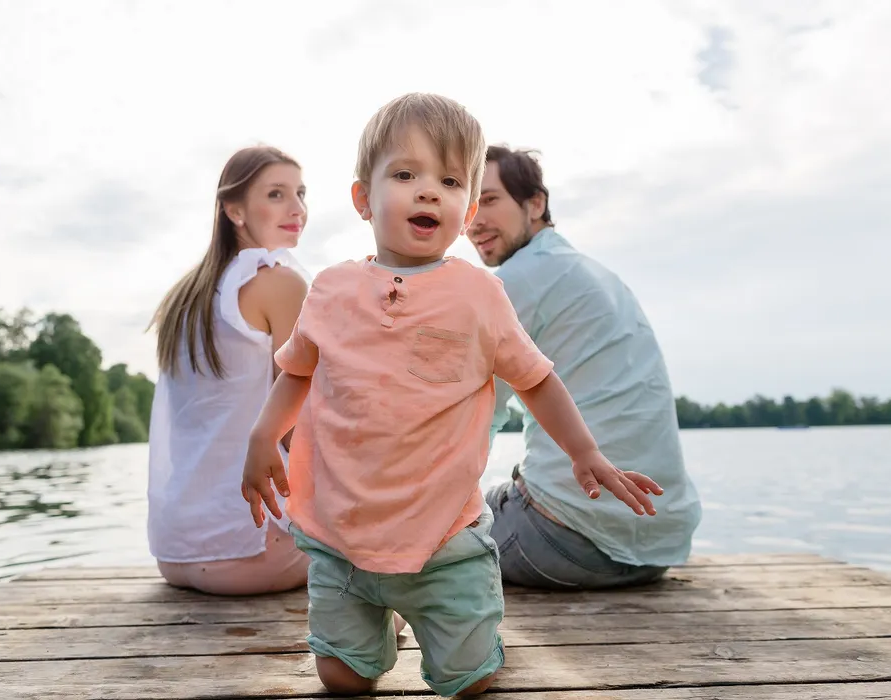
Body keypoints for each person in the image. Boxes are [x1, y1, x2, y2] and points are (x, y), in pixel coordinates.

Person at [240, 93, 663, 698]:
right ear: (364, 199)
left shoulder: (478, 295)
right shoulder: (331, 290)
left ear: (465, 212)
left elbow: (535, 377)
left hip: (444, 539)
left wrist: (585, 452)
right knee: (341, 679)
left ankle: (461, 631)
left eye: (449, 179)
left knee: (468, 683)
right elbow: (298, 372)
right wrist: (262, 435)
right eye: (405, 175)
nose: (428, 191)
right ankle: (369, 632)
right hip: (341, 538)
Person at [467, 145, 703, 591]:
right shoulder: (596, 274)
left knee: (421, 528)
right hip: (659, 546)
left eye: (490, 200)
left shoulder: (512, 282)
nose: (474, 220)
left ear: (535, 204)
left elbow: (474, 416)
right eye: (470, 204)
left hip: (567, 541)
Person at [145, 146, 311, 596]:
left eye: (300, 193)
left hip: (175, 552)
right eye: (276, 194)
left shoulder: (188, 294)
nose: (297, 208)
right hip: (250, 553)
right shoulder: (279, 281)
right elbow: (301, 424)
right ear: (233, 210)